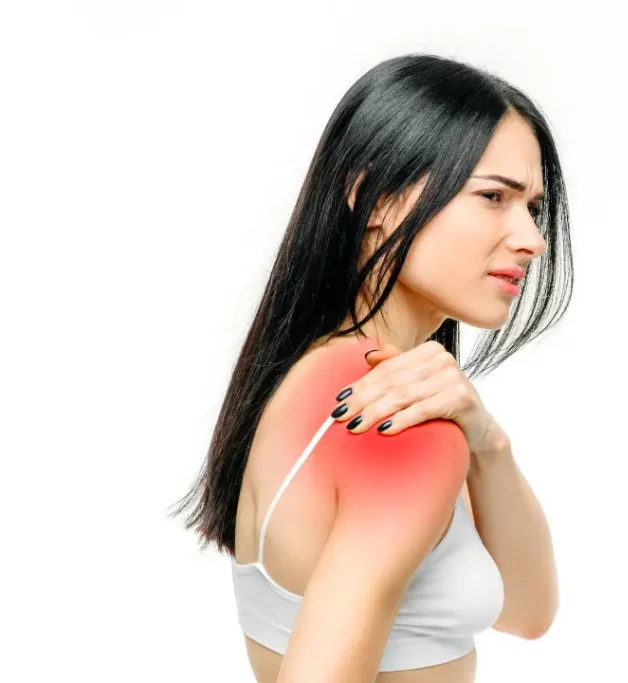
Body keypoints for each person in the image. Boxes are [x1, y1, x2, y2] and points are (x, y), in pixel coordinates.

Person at [171, 52, 574, 682]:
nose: (532, 238)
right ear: (376, 197)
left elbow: (526, 612)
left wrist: (487, 442)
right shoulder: (393, 423)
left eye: (533, 208)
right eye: (493, 197)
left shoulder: (313, 375)